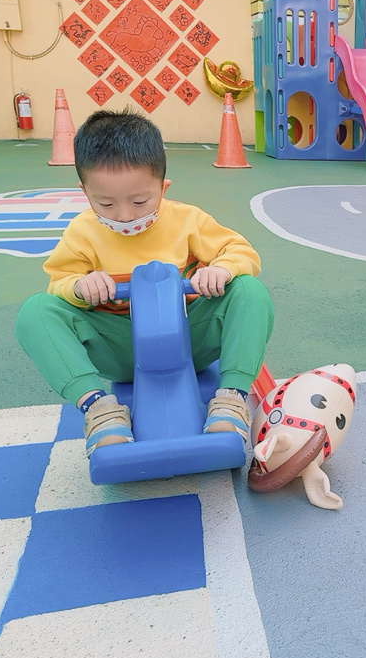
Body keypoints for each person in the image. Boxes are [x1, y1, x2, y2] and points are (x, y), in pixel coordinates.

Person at [14, 109, 274, 454]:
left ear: (162, 188)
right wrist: (79, 286)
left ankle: (232, 397)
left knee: (249, 290)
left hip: (189, 340)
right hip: (119, 349)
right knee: (35, 311)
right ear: (85, 192)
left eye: (140, 201)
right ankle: (97, 407)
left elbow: (240, 251)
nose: (124, 215)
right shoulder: (82, 232)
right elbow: (59, 281)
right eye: (105, 203)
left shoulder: (188, 220)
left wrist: (222, 269)